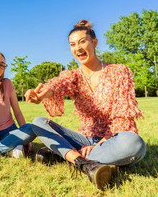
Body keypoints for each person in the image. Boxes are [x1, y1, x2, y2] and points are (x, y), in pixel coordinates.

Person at [25, 20, 146, 190]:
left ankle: (66, 155)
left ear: (94, 42)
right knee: (38, 122)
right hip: (83, 139)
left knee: (134, 144)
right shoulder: (73, 76)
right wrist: (43, 94)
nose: (78, 48)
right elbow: (59, 84)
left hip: (112, 139)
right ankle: (85, 163)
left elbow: (122, 117)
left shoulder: (119, 71)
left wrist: (98, 145)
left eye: (82, 41)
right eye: (72, 44)